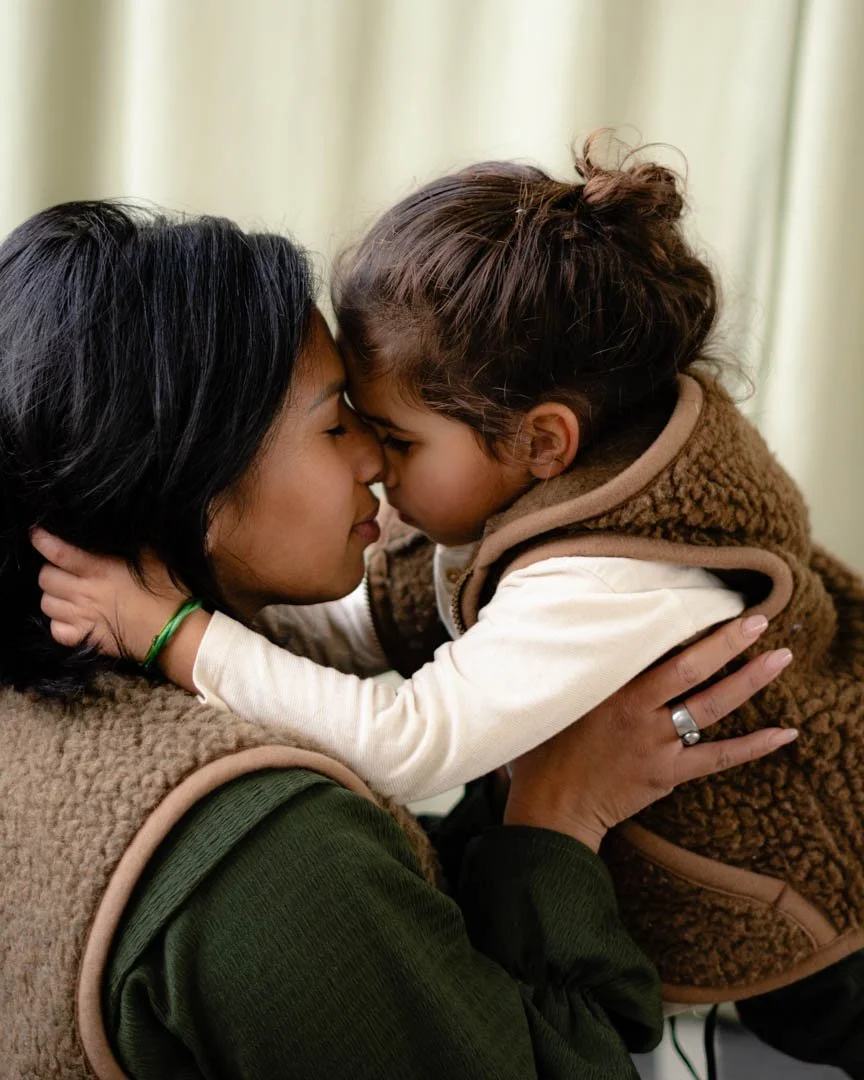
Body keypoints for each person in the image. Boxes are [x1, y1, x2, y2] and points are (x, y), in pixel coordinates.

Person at [37, 137, 864, 1076]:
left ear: (541, 442)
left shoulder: (608, 575)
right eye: (344, 424)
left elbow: (410, 742)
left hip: (806, 916)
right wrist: (198, 603)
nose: (372, 463)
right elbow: (358, 632)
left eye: (392, 438)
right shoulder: (513, 501)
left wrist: (176, 632)